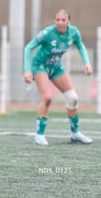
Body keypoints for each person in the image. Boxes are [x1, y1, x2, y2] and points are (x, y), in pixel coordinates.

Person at [23, 9, 93, 145]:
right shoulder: (48, 33)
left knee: (73, 98)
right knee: (47, 98)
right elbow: (28, 48)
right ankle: (39, 135)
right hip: (40, 66)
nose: (60, 22)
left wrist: (87, 63)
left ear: (68, 22)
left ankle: (75, 134)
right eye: (57, 20)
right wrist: (27, 70)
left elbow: (80, 45)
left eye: (63, 20)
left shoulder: (74, 32)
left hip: (56, 68)